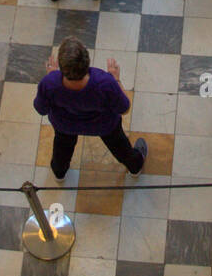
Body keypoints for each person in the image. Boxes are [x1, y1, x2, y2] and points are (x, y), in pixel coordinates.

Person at [35, 38, 146, 178]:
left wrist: (52, 75)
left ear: (61, 66)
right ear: (87, 61)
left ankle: (59, 173)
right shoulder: (105, 82)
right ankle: (135, 167)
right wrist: (116, 79)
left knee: (62, 149)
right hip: (104, 125)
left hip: (65, 126)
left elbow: (41, 109)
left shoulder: (49, 83)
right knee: (120, 147)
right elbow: (124, 108)